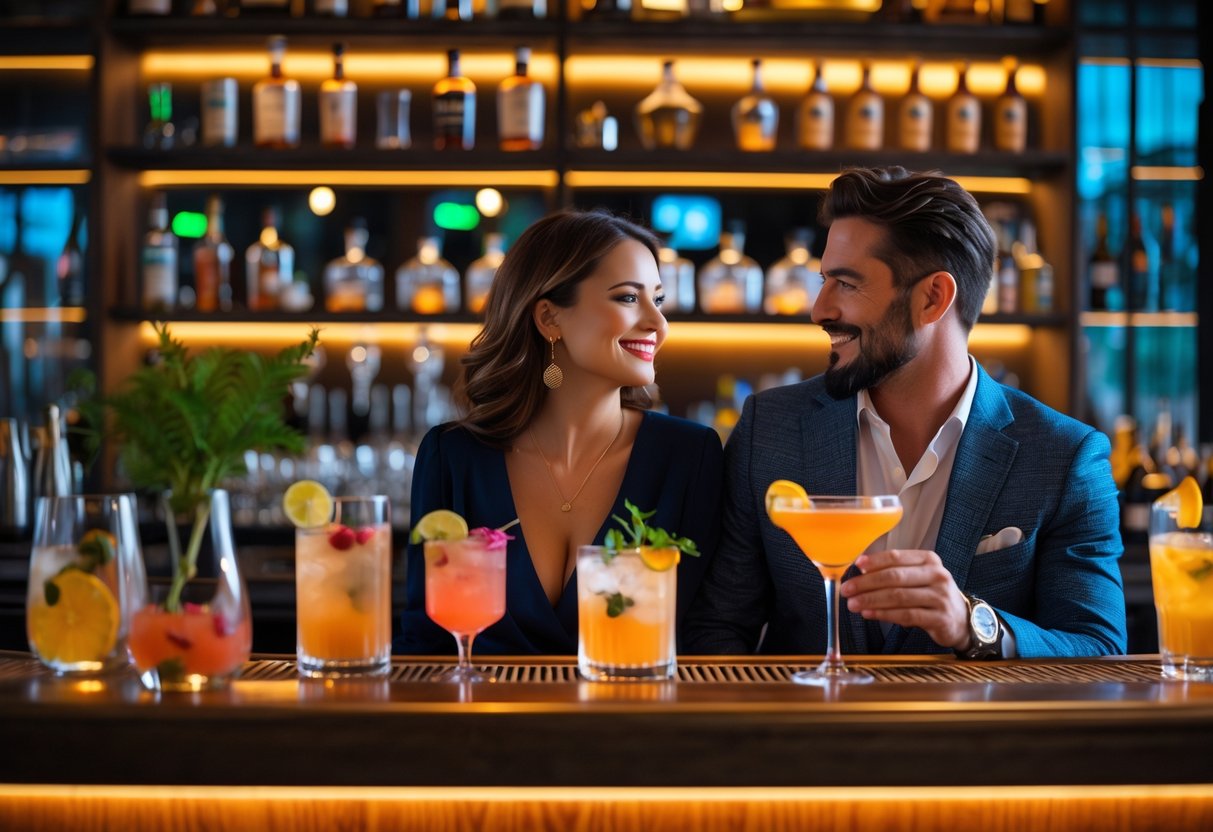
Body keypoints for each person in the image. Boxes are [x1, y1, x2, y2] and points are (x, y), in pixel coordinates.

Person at [684, 167, 1127, 659]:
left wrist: (972, 625)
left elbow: (1100, 649)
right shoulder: (770, 430)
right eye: (824, 280)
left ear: (933, 298)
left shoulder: (1065, 456)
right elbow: (716, 630)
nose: (819, 310)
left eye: (846, 284)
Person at [395, 211, 723, 655]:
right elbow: (425, 643)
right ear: (549, 318)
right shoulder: (452, 456)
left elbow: (707, 640)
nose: (657, 322)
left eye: (659, 300)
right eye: (629, 298)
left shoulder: (690, 456)